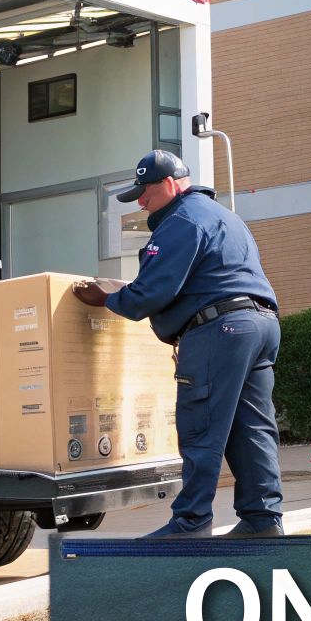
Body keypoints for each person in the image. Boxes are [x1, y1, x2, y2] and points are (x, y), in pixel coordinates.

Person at [73, 150, 284, 538]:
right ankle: (262, 519)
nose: (141, 201)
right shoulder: (224, 217)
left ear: (170, 185)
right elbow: (190, 280)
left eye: (145, 191)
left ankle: (190, 524)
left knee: (201, 427)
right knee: (251, 427)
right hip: (260, 324)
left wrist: (106, 297)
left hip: (220, 331)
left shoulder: (180, 221)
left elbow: (150, 293)